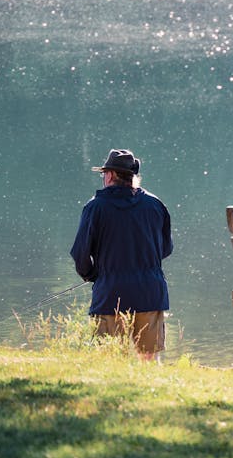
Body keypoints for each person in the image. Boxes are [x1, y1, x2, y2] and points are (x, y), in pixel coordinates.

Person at [70, 149, 173, 359]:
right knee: (148, 358)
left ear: (109, 175)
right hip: (150, 292)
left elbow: (80, 254)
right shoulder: (155, 204)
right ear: (132, 176)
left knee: (109, 357)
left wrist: (91, 275)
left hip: (110, 293)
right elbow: (165, 248)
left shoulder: (95, 207)